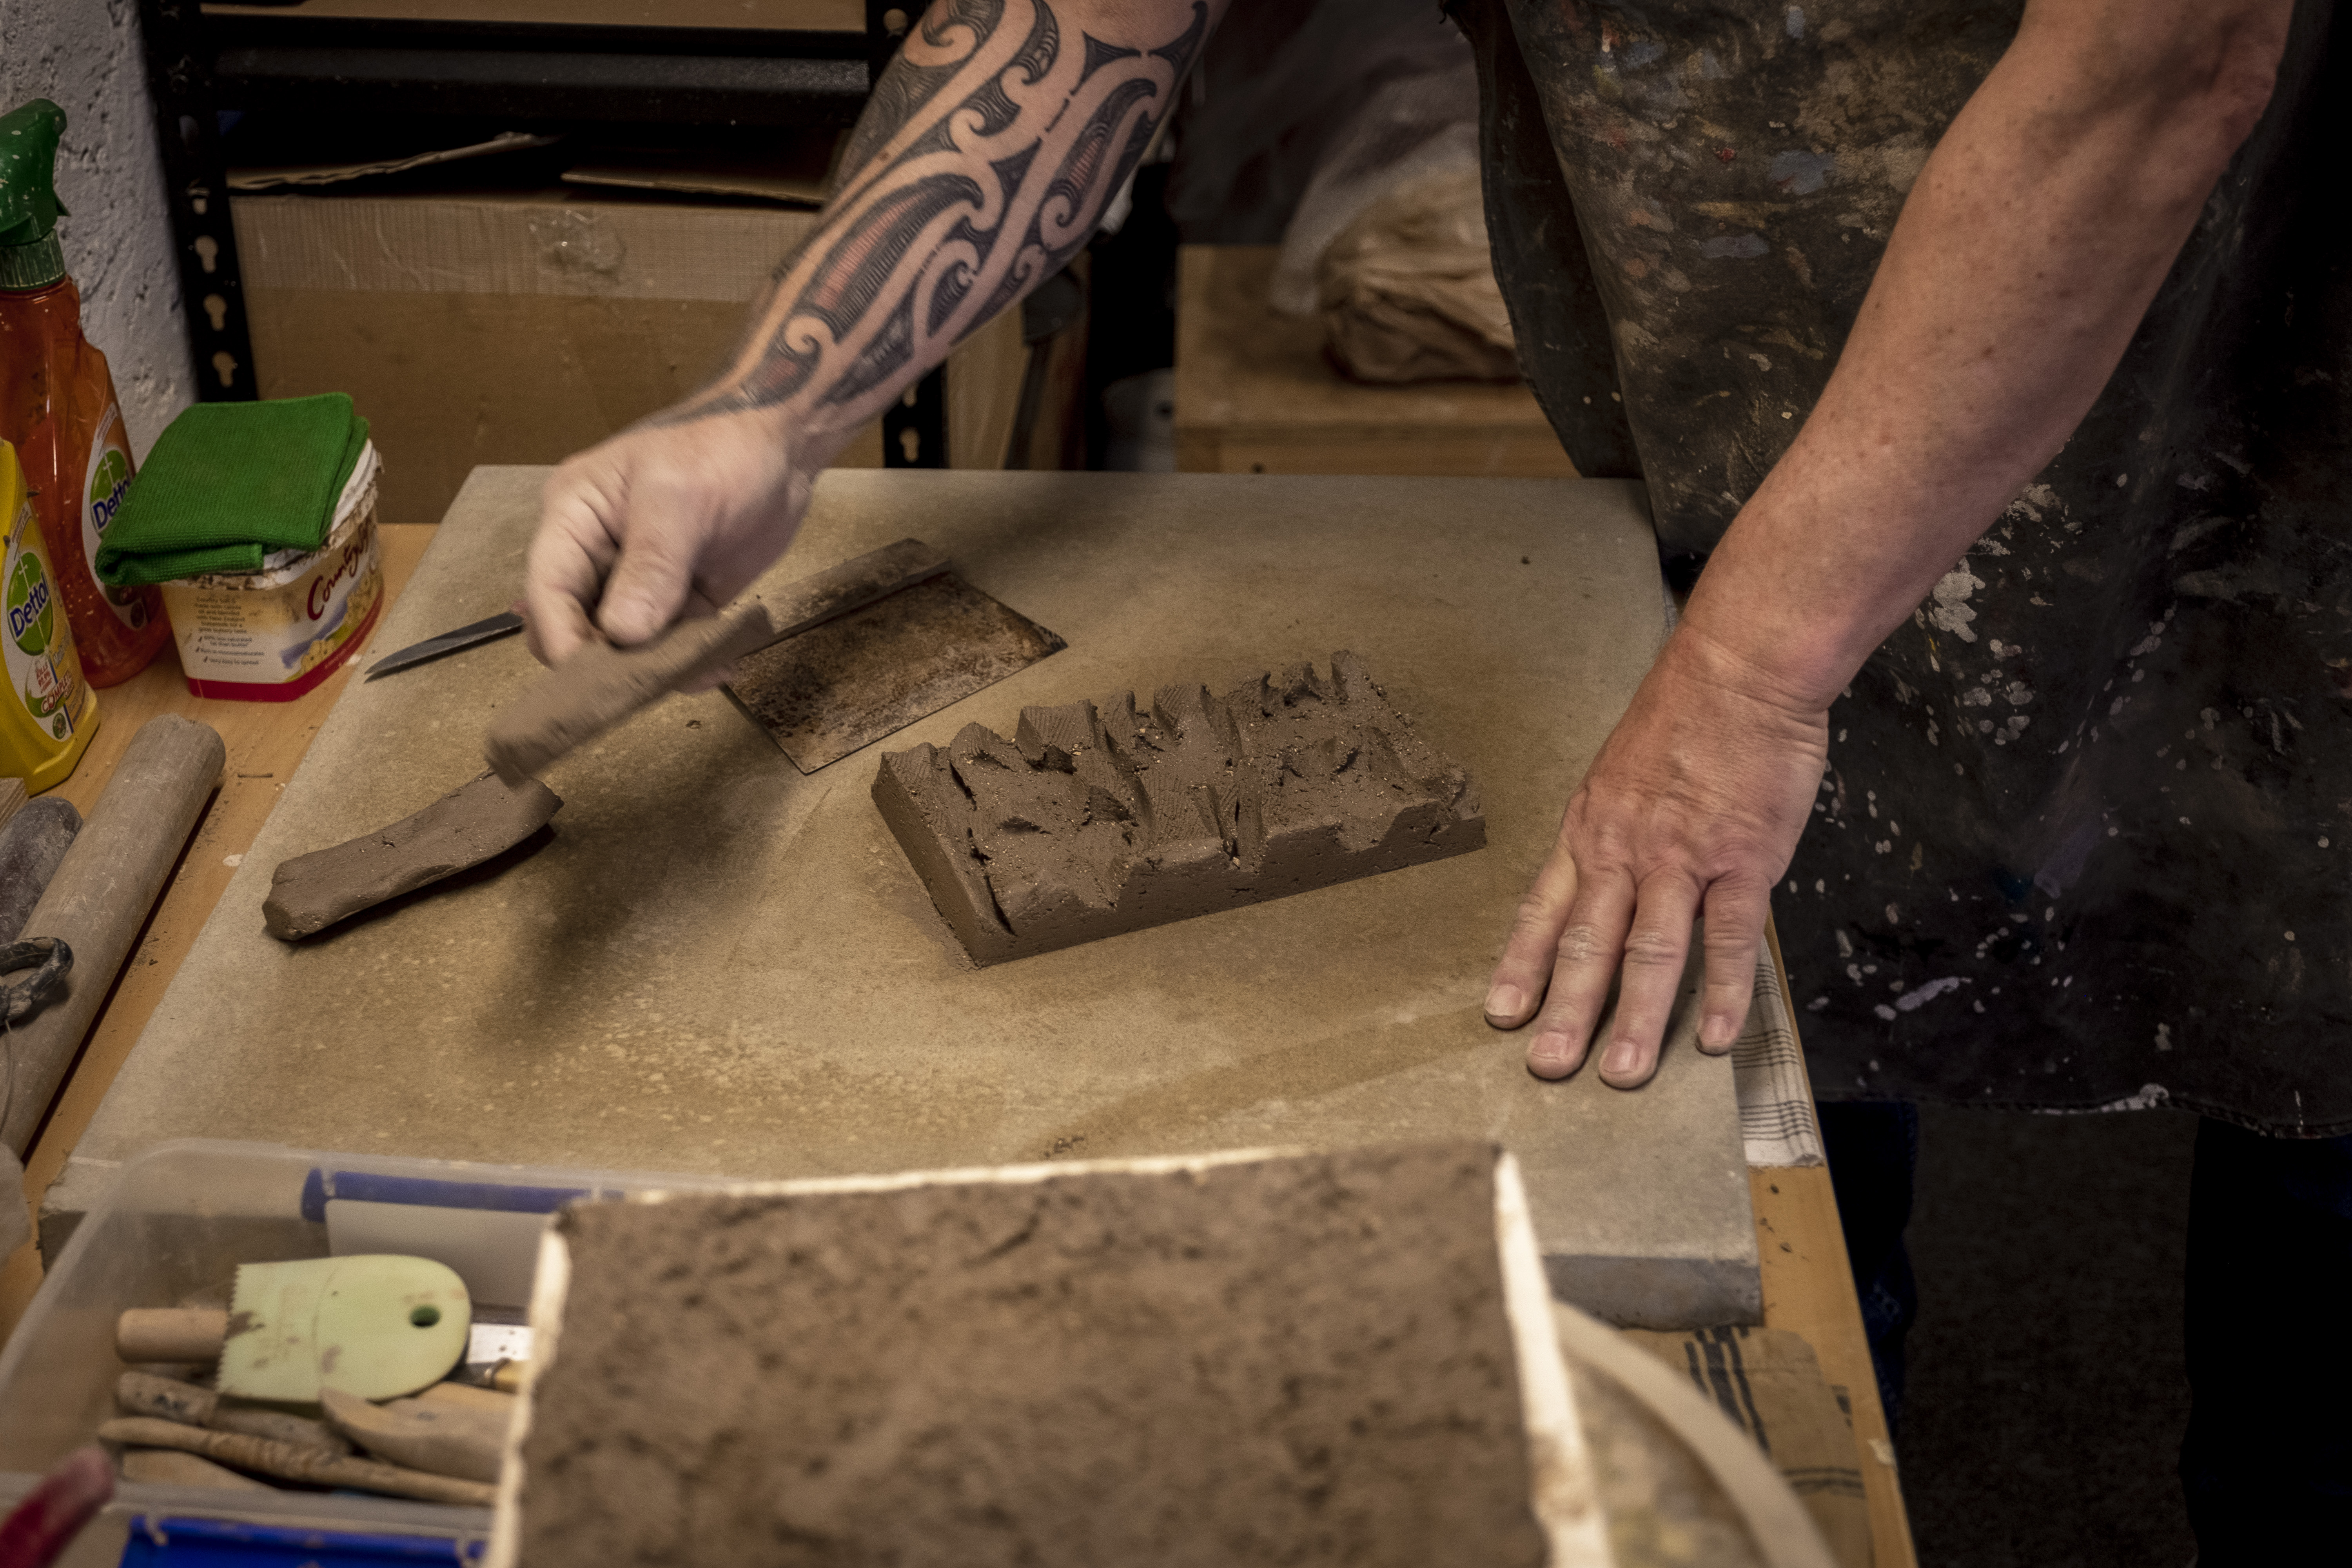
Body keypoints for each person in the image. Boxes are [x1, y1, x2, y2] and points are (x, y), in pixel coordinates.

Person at [523, 0, 2340, 1553]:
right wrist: (773, 401)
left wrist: (1752, 665)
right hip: (1764, 434)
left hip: (2279, 437)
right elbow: (1084, 16)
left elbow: (2162, 60)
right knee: (1749, 1169)